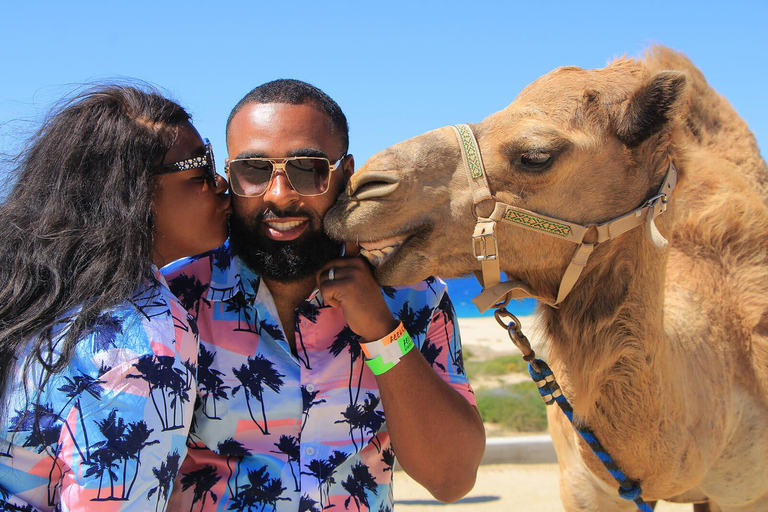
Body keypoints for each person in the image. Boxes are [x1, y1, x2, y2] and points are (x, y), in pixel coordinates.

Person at [164, 79, 485, 512]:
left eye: (308, 170)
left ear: (345, 174)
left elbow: (451, 479)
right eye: (253, 170)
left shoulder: (414, 299)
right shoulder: (177, 300)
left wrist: (381, 332)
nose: (278, 195)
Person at [0, 84, 231, 510]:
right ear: (133, 194)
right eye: (200, 172)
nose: (221, 184)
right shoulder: (144, 339)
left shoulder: (26, 293)